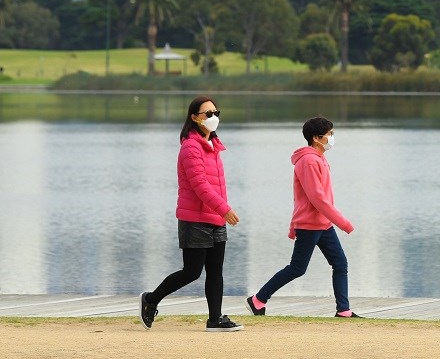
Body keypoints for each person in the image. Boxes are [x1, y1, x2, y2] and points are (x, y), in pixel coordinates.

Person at [140, 96, 242, 332]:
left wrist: (221, 211)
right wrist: (225, 209)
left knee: (216, 271)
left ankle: (215, 319)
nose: (213, 117)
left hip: (215, 217)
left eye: (216, 112)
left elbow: (217, 185)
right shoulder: (190, 147)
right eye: (208, 113)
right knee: (192, 272)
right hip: (195, 219)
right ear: (194, 118)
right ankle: (151, 300)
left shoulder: (214, 146)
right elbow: (200, 186)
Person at [246, 116, 360, 318]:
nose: (332, 138)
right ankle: (258, 299)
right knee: (297, 268)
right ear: (317, 138)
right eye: (329, 134)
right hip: (310, 225)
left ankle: (343, 310)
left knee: (340, 263)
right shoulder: (308, 161)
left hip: (323, 224)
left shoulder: (320, 159)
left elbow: (308, 198)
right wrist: (344, 223)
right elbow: (316, 198)